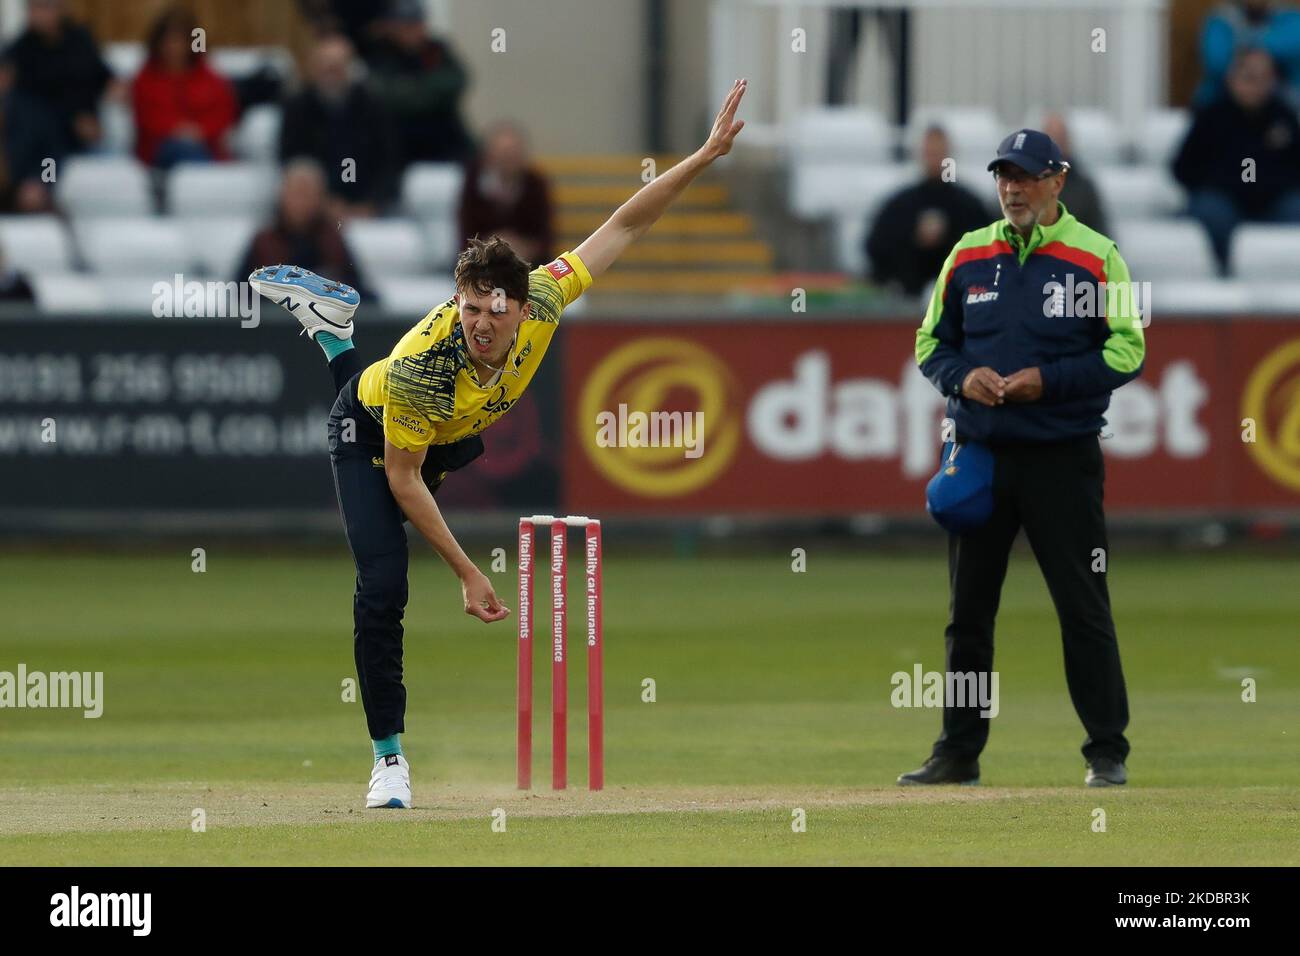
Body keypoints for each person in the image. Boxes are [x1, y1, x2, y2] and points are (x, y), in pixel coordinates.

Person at [247, 80, 748, 810]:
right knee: (384, 587)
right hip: (373, 441)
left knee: (411, 418)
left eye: (493, 309)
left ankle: (332, 329)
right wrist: (467, 572)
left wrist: (703, 156)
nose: (481, 321)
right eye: (470, 306)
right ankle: (389, 760)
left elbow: (626, 226)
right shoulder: (429, 362)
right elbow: (405, 480)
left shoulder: (544, 297)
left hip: (442, 436)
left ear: (521, 306)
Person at [905, 128, 1144, 789]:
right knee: (968, 614)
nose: (1013, 187)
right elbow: (931, 343)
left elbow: (1127, 350)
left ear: (1057, 182)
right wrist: (962, 378)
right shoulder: (969, 253)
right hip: (981, 455)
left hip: (1061, 458)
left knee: (1082, 605)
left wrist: (1049, 380)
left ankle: (1106, 750)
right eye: (1004, 175)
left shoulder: (1097, 257)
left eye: (1027, 175)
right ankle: (958, 753)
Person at [1175, 48, 1300, 273]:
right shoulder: (1211, 116)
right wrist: (1222, 182)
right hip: (1223, 198)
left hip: (1274, 199)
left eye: (1265, 78)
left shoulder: (1284, 116)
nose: (1258, 86)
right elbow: (1183, 168)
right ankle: (1224, 274)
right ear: (1232, 79)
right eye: (1250, 77)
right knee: (1211, 211)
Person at [279, 33, 399, 218]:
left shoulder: (374, 107)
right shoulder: (298, 108)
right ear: (313, 68)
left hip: (369, 208)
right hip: (313, 211)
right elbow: (292, 161)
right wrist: (323, 204)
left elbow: (389, 163)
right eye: (325, 67)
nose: (331, 74)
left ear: (351, 68)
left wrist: (370, 205)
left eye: (336, 67)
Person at [865, 126, 988, 296]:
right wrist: (915, 239)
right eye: (930, 153)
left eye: (940, 153)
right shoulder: (900, 205)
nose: (935, 160)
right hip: (906, 299)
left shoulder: (969, 205)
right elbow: (876, 249)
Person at [236, 158, 368, 295]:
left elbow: (357, 293)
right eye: (296, 193)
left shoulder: (333, 243)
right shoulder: (264, 243)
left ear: (320, 198)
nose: (301, 202)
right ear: (282, 196)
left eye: (307, 194)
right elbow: (241, 294)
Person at [366, 0, 475, 166]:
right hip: (397, 145)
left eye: (415, 24)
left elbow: (457, 80)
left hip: (445, 139)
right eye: (404, 25)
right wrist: (428, 90)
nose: (411, 31)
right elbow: (382, 94)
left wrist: (409, 89)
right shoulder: (380, 53)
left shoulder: (437, 50)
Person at [2, 0, 113, 161]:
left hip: (92, 132)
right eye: (32, 8)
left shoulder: (80, 39)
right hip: (49, 141)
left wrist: (114, 85)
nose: (37, 14)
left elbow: (102, 74)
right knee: (48, 172)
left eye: (44, 7)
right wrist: (74, 120)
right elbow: (31, 103)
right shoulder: (20, 51)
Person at [131, 7, 238, 168]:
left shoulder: (208, 75)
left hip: (206, 147)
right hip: (159, 152)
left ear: (192, 43)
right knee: (183, 149)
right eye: (168, 40)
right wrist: (177, 131)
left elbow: (225, 112)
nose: (174, 47)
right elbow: (146, 117)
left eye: (180, 40)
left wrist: (201, 131)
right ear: (158, 43)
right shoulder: (145, 78)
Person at [458, 122, 554, 265]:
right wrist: (491, 247)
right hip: (480, 267)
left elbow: (545, 236)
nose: (508, 159)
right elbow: (465, 233)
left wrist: (522, 248)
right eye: (504, 154)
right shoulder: (473, 183)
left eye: (513, 153)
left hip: (528, 266)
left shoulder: (536, 184)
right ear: (489, 155)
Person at [1195, 0, 1300, 109]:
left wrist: (1245, 48)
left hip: (1284, 105)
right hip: (1224, 104)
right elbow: (1216, 63)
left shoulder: (1289, 15)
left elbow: (1295, 43)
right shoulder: (1221, 17)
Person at [1040, 112, 1110, 236]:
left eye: (1060, 138)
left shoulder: (1084, 189)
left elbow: (1100, 233)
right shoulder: (1025, 185)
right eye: (1051, 139)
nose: (1057, 146)